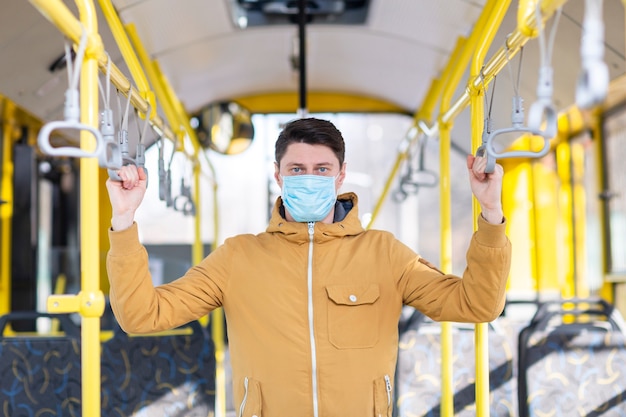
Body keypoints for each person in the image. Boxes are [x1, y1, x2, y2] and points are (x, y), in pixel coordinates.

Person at [105, 117, 511, 417]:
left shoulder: (385, 253)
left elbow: (477, 305)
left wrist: (490, 211)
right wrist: (123, 220)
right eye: (297, 170)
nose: (309, 179)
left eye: (322, 170)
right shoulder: (238, 258)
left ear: (340, 176)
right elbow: (142, 315)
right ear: (278, 176)